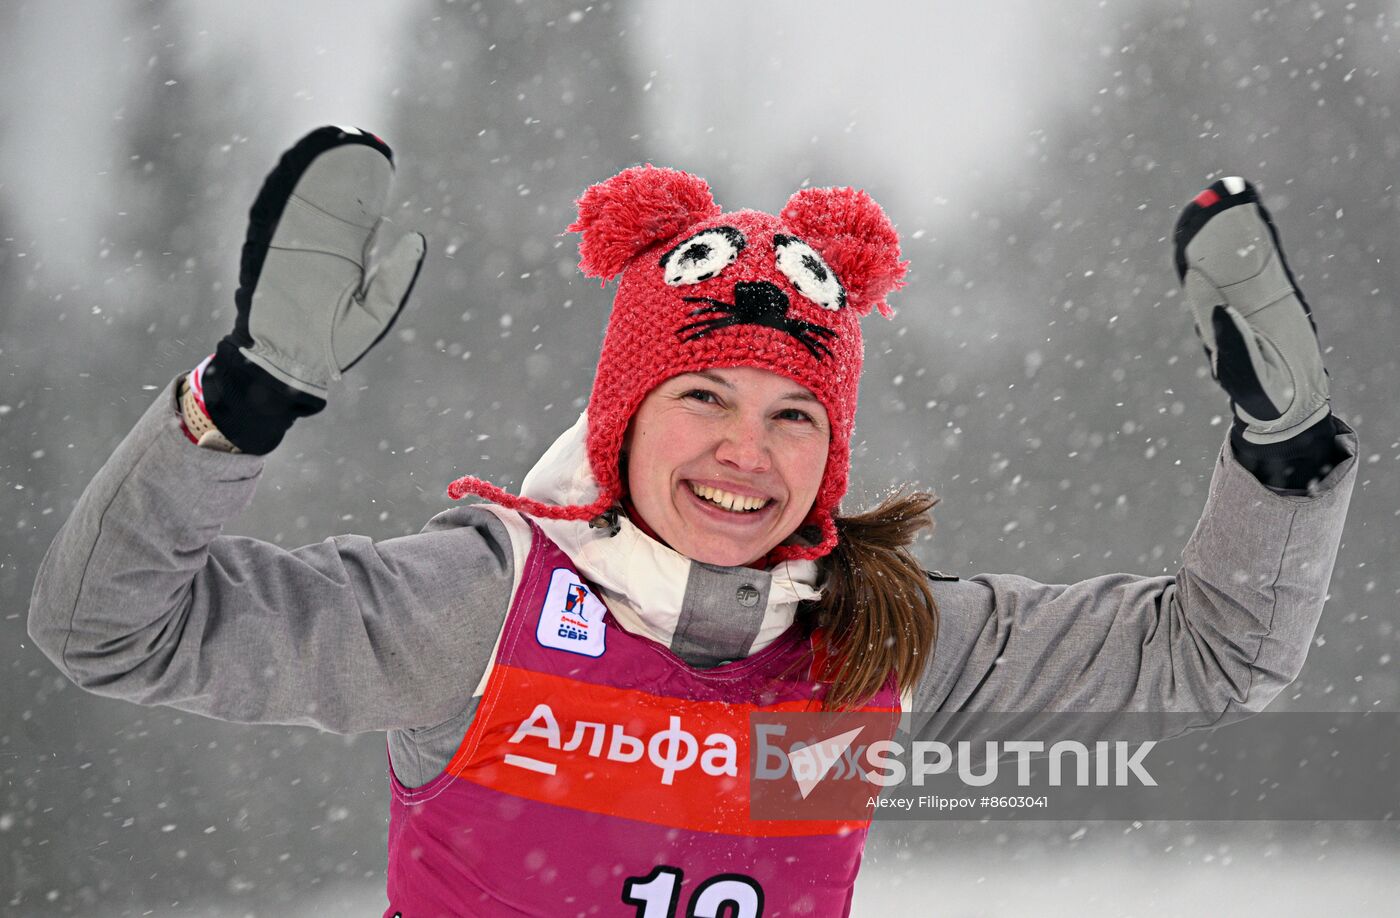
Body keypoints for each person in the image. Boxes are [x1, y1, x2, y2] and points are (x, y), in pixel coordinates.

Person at [28, 127, 1357, 917]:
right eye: (703, 394)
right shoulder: (481, 609)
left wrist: (1280, 455)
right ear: (622, 418)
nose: (746, 449)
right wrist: (238, 405)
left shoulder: (869, 643)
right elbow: (111, 627)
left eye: (796, 416)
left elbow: (1216, 652)